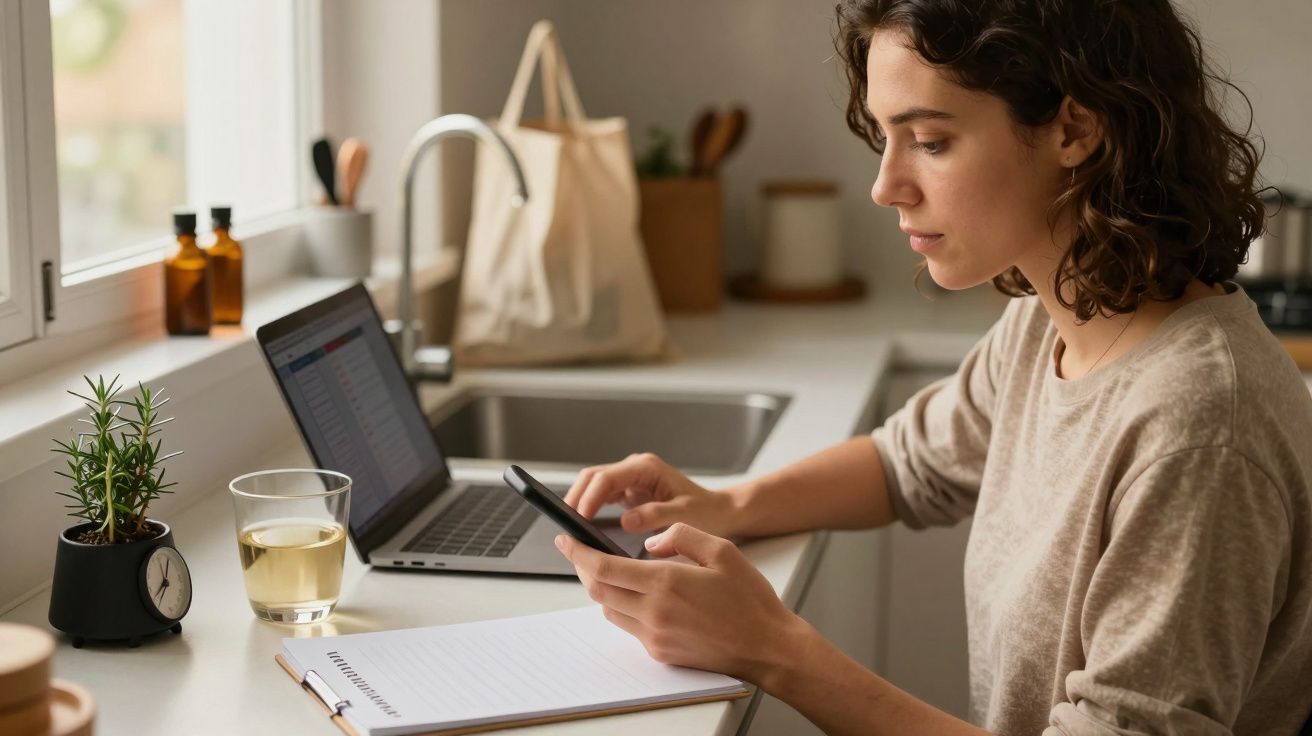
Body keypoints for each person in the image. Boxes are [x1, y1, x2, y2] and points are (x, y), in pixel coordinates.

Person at [556, 1, 1312, 733]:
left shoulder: (1201, 424)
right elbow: (907, 464)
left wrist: (774, 650)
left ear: (1075, 129)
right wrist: (729, 506)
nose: (886, 186)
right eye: (886, 138)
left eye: (931, 140)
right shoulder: (1055, 318)